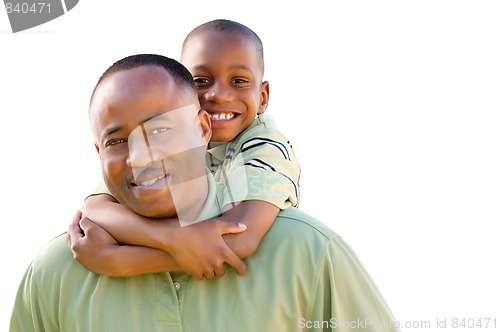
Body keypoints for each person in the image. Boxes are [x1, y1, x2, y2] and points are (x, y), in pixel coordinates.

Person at [10, 54, 399, 331]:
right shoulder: (56, 271)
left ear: (202, 129)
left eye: (159, 130)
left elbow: (238, 240)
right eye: (116, 142)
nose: (139, 158)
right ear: (98, 153)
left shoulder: (307, 252)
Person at [77, 19, 301, 279]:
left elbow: (239, 239)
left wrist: (119, 262)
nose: (218, 95)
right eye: (201, 80)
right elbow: (96, 208)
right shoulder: (161, 140)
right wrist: (171, 237)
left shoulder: (266, 146)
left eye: (238, 81)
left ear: (263, 97)